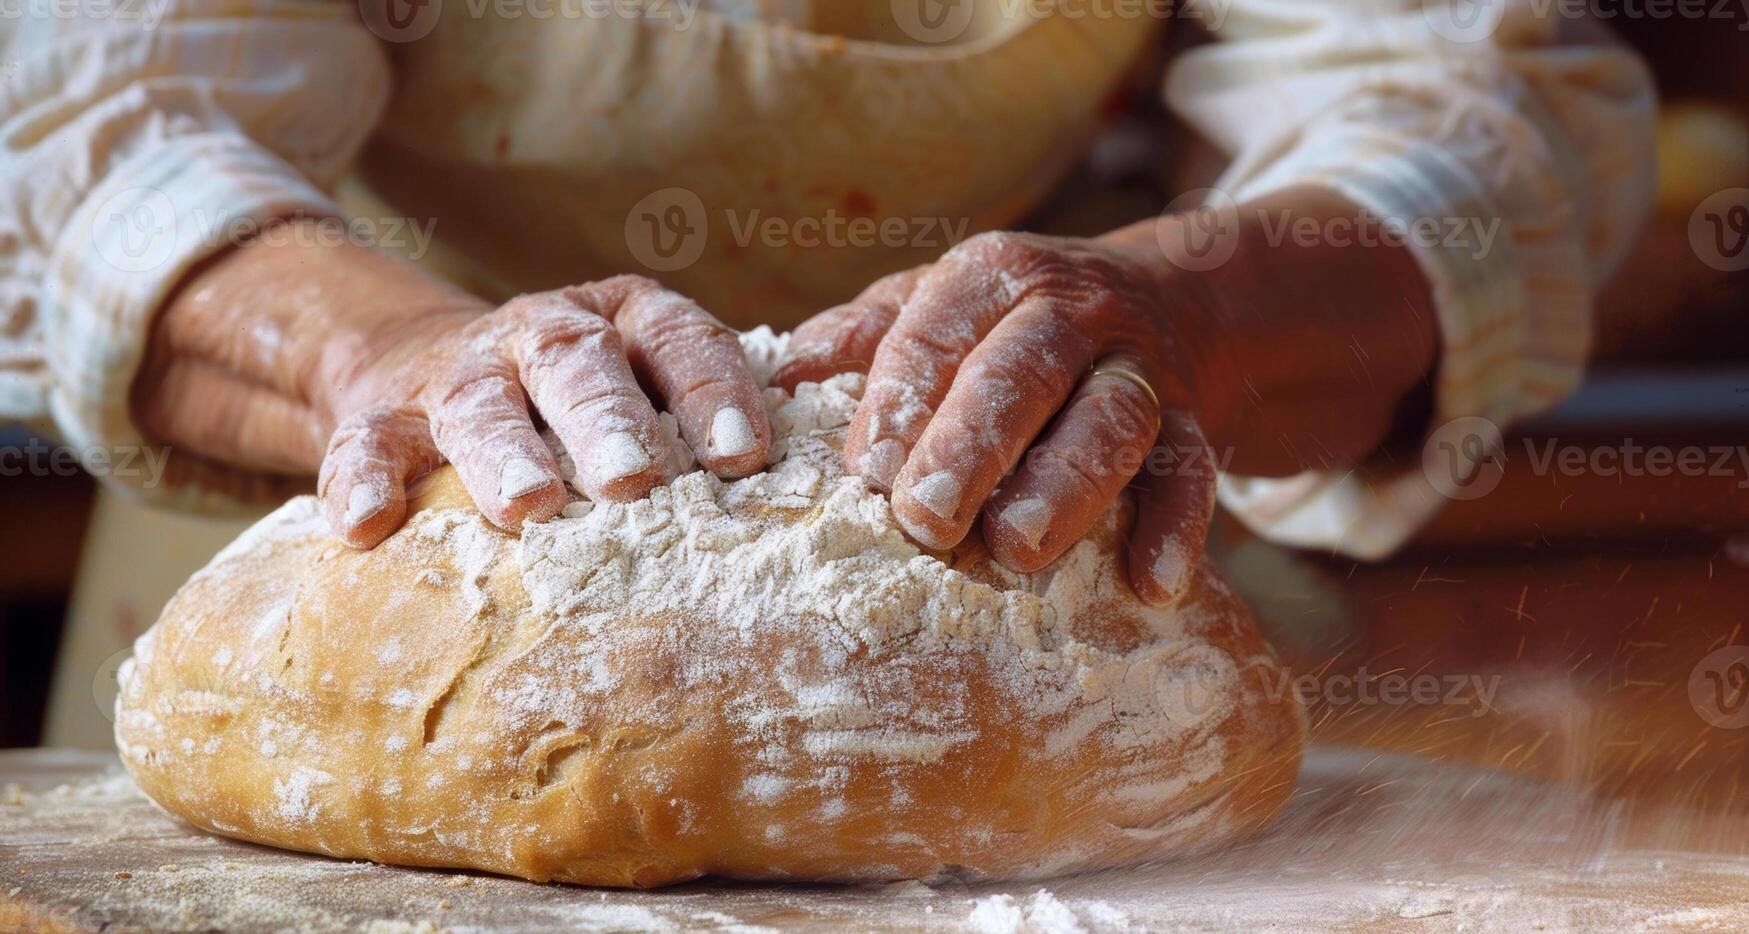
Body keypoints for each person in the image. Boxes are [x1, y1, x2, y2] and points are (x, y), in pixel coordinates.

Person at [0, 1, 1654, 604]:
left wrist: (1190, 311)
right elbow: (94, 118)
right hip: (378, 509)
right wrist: (374, 349)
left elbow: (1460, 126)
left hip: (1001, 511)